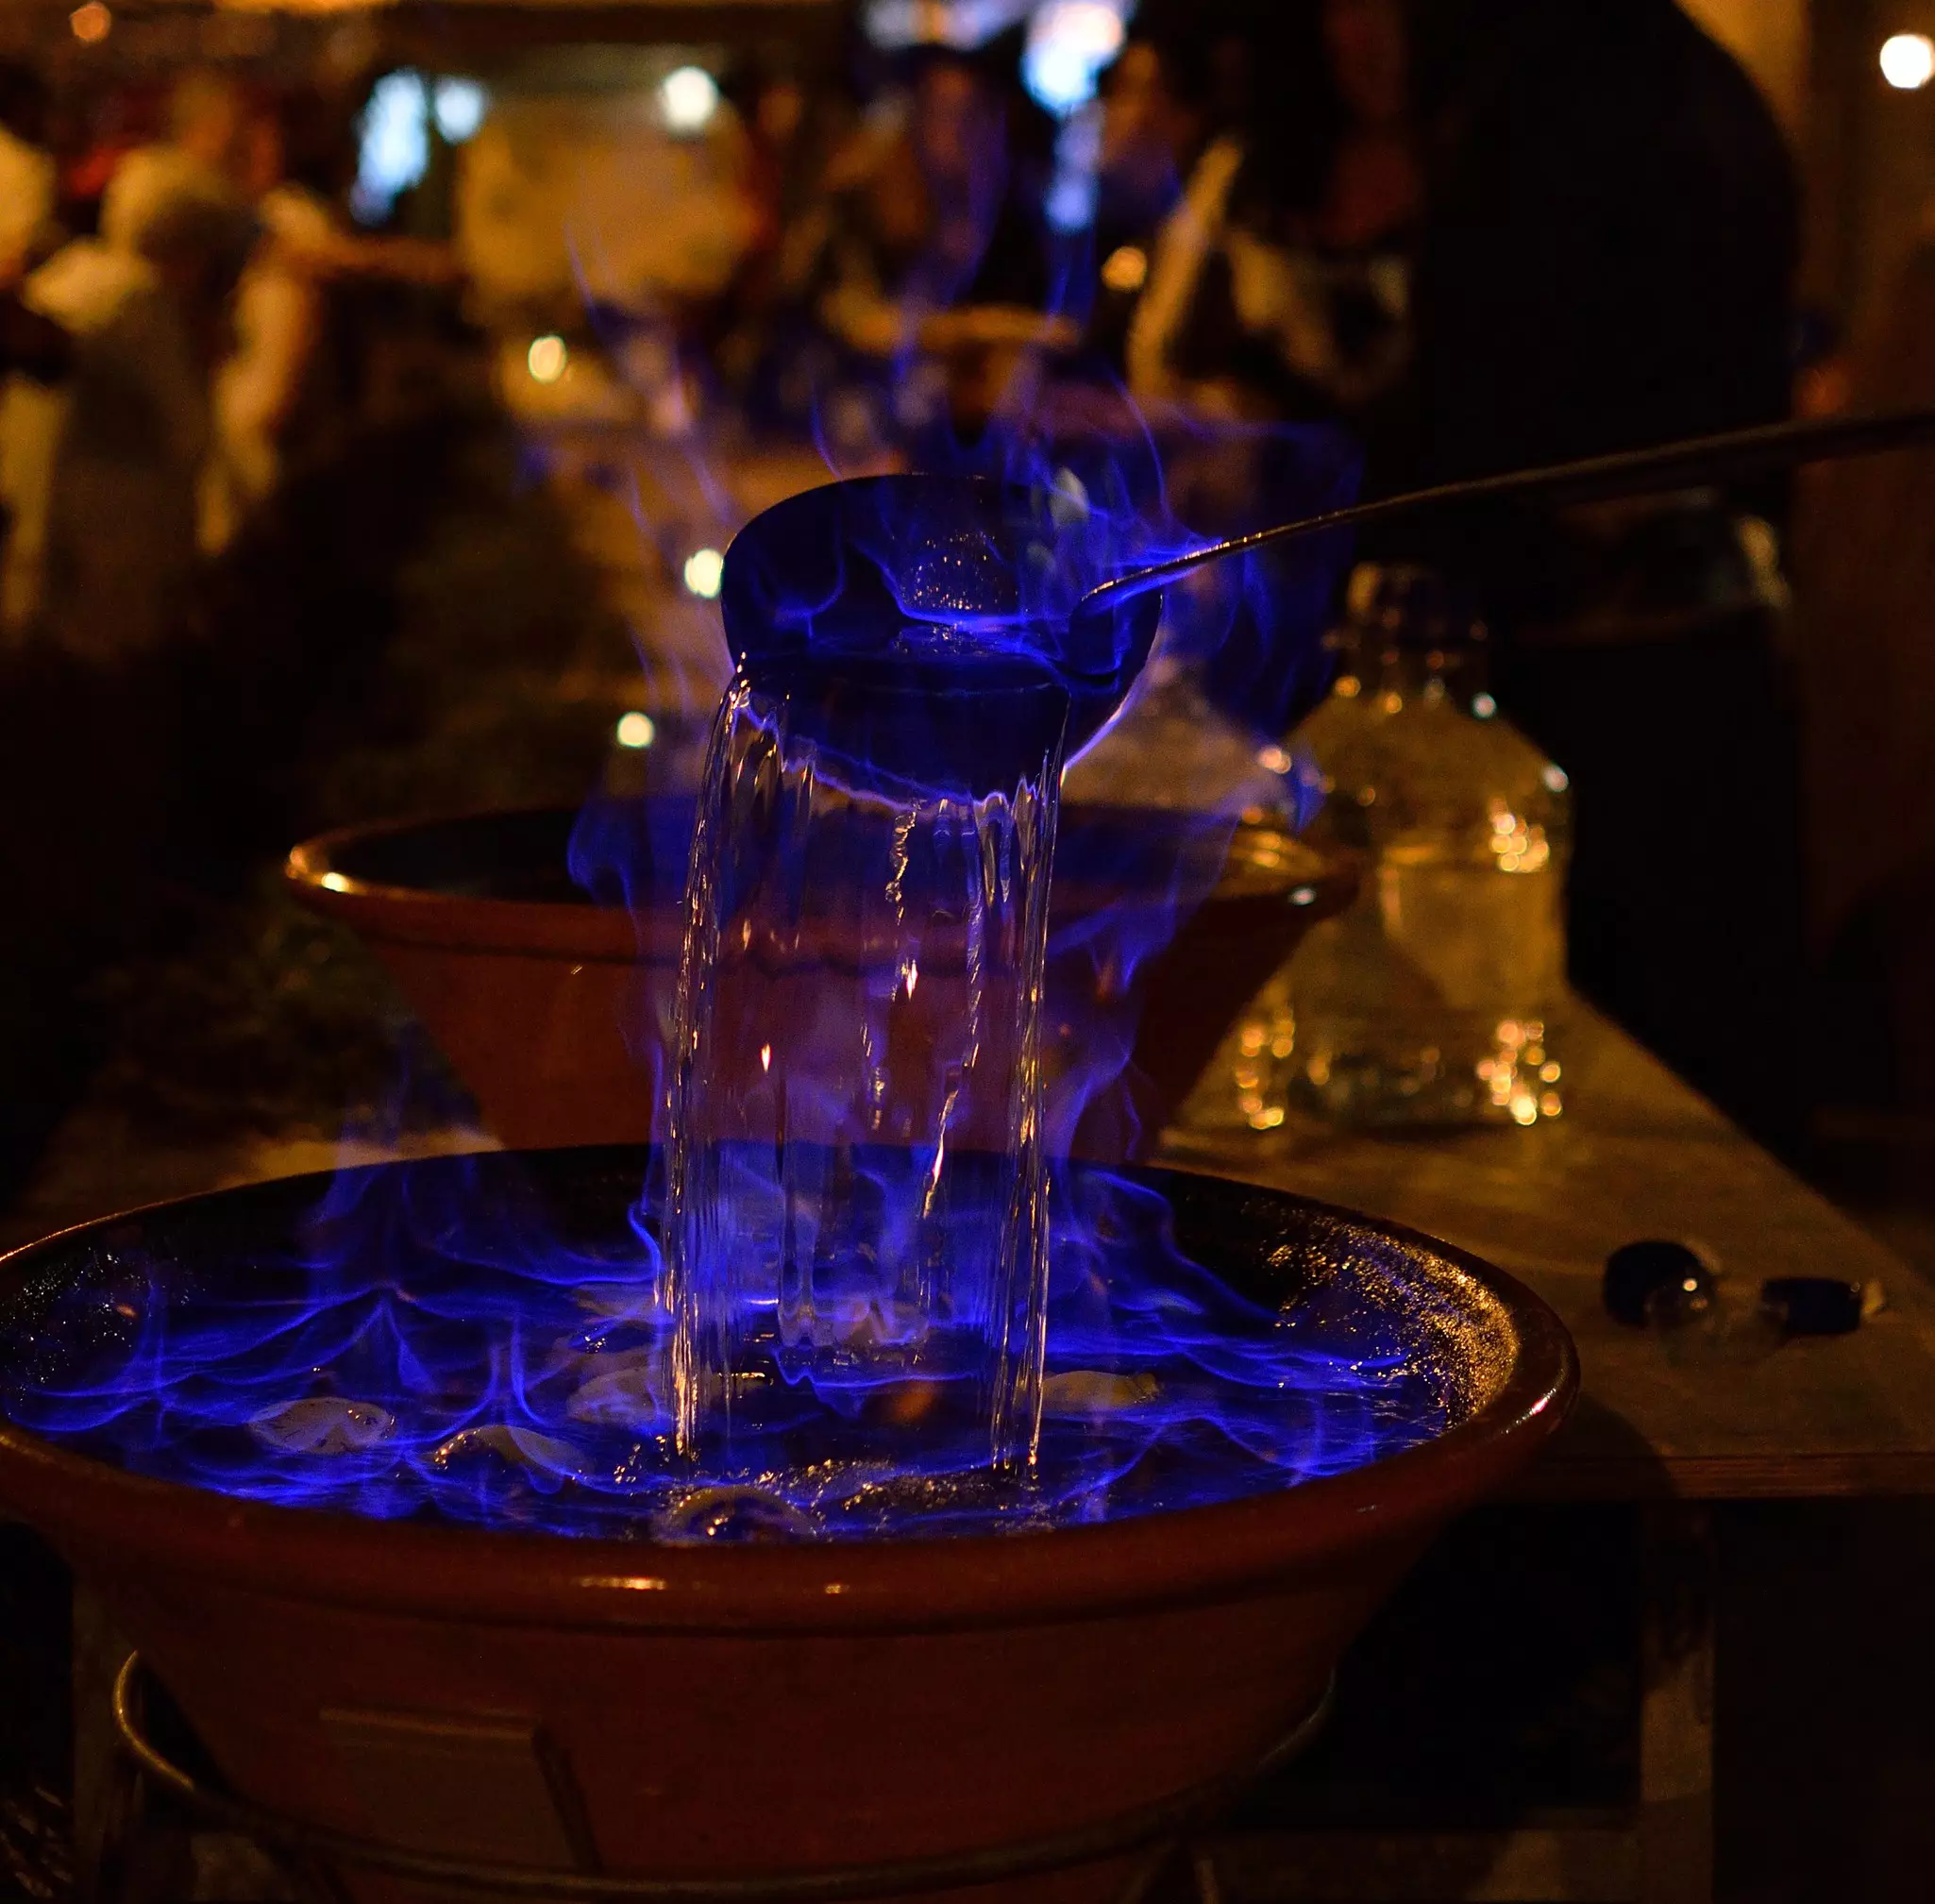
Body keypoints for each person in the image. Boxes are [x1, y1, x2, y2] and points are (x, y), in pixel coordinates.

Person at [1372, 0, 1804, 1148]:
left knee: (1603, 1089)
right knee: (1721, 1067)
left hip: (1586, 659)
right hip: (1716, 636)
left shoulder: (1544, 89)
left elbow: (1487, 397)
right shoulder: (1708, 78)